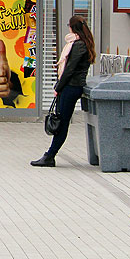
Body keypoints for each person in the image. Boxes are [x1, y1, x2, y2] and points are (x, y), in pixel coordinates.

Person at [30, 15, 96, 167]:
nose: (68, 27)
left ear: (73, 27)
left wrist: (58, 87)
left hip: (71, 87)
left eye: (69, 25)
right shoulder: (81, 43)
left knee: (61, 123)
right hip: (71, 86)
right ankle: (49, 155)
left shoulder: (79, 45)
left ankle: (50, 156)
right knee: (62, 121)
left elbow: (70, 69)